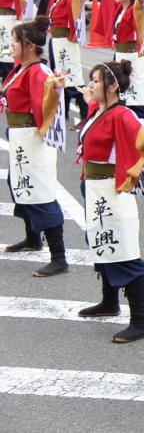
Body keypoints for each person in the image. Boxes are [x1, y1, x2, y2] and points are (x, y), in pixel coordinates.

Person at [74, 60, 144, 343]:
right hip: (94, 187)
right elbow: (92, 107)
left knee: (124, 252)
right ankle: (109, 301)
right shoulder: (99, 110)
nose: (91, 85)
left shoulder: (121, 114)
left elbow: (141, 130)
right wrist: (87, 96)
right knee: (100, 240)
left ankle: (140, 322)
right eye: (91, 80)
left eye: (95, 81)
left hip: (111, 191)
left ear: (113, 86)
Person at [1, 18, 68, 278]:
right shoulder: (22, 67)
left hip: (32, 138)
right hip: (20, 136)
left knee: (39, 192)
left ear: (28, 45)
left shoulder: (39, 72)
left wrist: (42, 131)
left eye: (15, 41)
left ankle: (59, 257)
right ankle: (32, 238)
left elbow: (47, 106)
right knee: (20, 184)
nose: (11, 45)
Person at [91, 0, 144, 123]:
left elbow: (139, 5)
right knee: (121, 96)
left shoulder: (134, 9)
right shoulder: (120, 9)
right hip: (119, 55)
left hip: (132, 57)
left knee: (135, 99)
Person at [45, 0, 87, 128]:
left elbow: (76, 19)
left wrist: (73, 38)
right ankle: (62, 110)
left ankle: (85, 114)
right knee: (61, 75)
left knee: (73, 77)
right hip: (57, 40)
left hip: (66, 41)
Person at [0, 0, 32, 78]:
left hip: (8, 19)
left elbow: (19, 0)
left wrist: (19, 19)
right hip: (3, 19)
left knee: (7, 52)